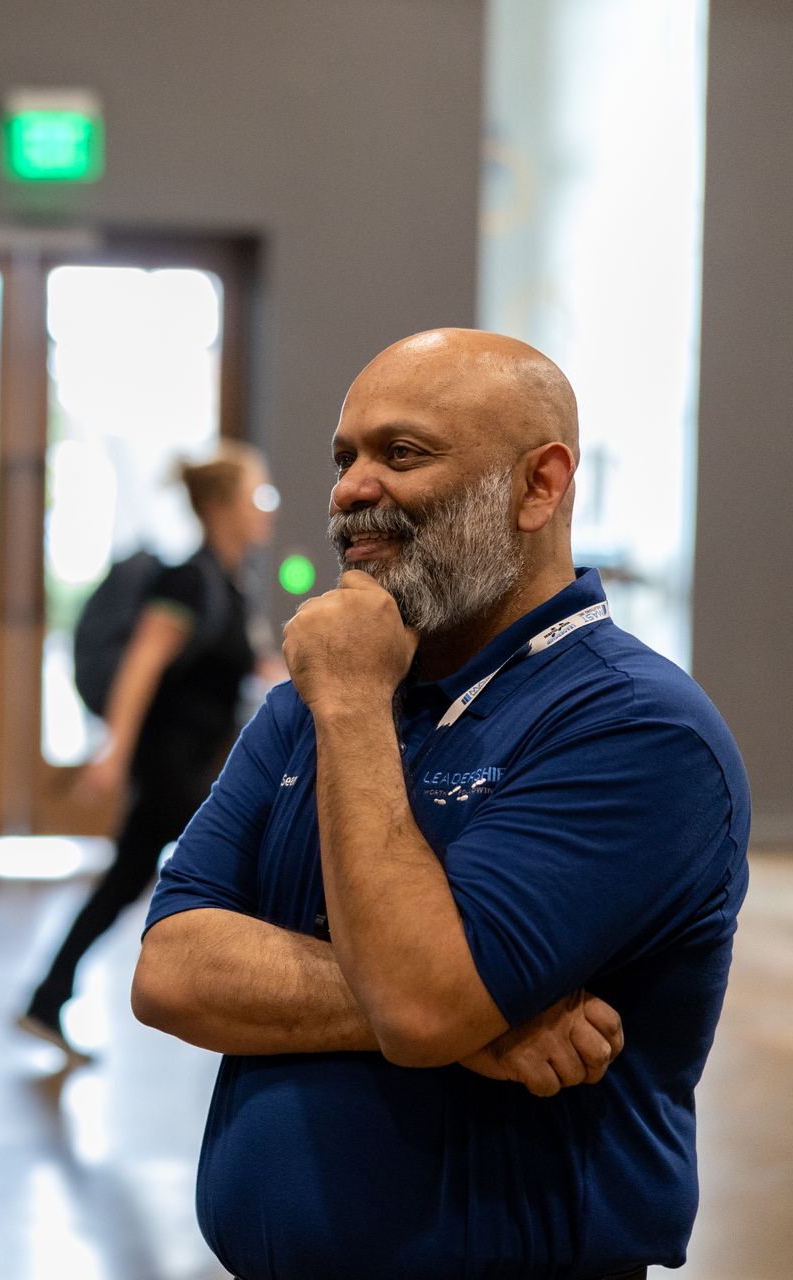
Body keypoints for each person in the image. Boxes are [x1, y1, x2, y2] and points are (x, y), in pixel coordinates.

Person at [132, 329, 749, 1280]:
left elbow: (423, 1004)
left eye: (402, 453)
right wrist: (484, 1018)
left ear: (539, 486)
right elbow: (170, 969)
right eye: (345, 458)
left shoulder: (638, 731)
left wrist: (439, 1007)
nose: (351, 489)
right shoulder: (322, 692)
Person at [20, 442, 276, 1063]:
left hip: (194, 769)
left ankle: (48, 998)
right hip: (174, 772)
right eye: (256, 496)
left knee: (125, 881)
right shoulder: (189, 578)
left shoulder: (227, 581)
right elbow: (141, 663)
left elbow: (258, 669)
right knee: (249, 871)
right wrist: (112, 754)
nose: (266, 508)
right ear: (222, 506)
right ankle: (249, 1015)